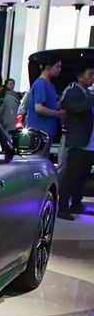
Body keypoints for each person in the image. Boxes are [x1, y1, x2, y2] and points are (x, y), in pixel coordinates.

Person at [58, 66, 94, 220]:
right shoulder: (72, 92)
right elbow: (79, 108)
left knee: (83, 176)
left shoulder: (87, 93)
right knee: (71, 175)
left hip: (89, 142)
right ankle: (63, 207)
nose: (93, 77)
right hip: (77, 141)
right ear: (80, 76)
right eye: (90, 74)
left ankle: (76, 204)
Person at [26, 55, 65, 155]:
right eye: (57, 67)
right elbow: (39, 108)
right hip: (39, 131)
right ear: (48, 68)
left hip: (47, 130)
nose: (59, 70)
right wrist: (58, 113)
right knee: (38, 159)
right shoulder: (40, 84)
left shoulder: (50, 85)